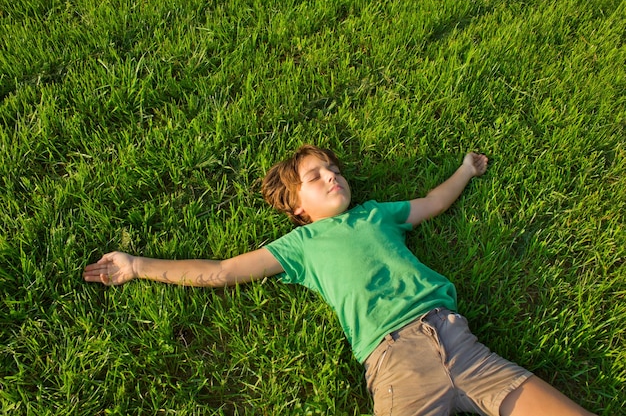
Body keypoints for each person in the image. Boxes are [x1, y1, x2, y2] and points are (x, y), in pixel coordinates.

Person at [84, 144, 595, 416]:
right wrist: (137, 265)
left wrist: (464, 169)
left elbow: (434, 202)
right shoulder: (298, 247)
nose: (332, 176)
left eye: (333, 169)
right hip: (395, 365)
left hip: (462, 345)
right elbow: (220, 272)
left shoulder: (377, 214)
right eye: (316, 176)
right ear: (296, 207)